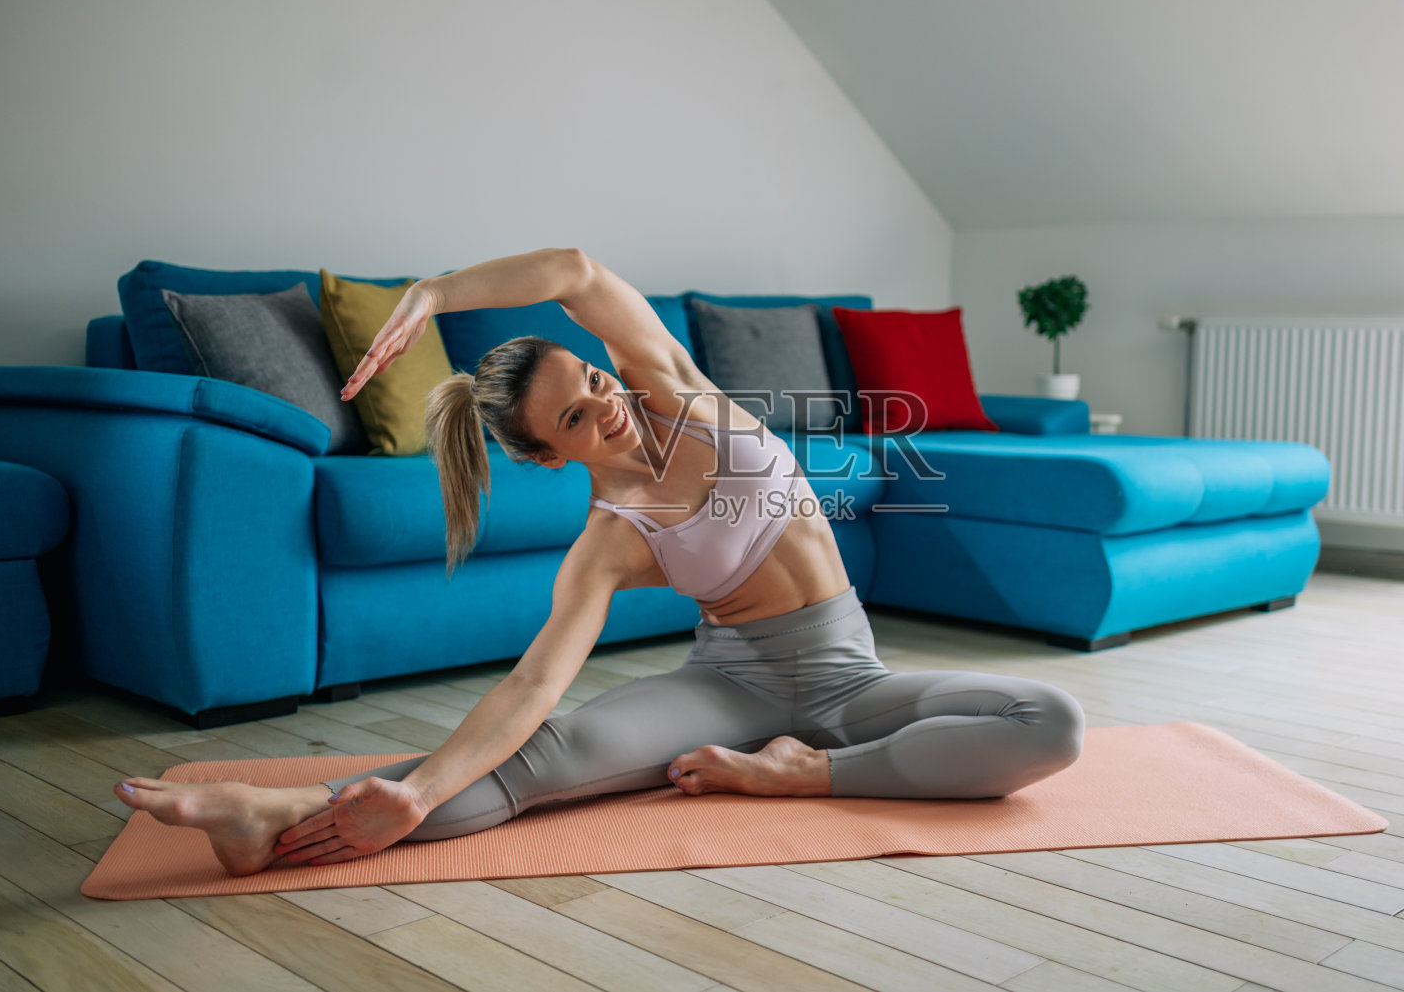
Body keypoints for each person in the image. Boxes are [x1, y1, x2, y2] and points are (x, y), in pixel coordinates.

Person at [113, 248, 1085, 875]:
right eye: (575, 415)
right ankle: (276, 815)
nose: (604, 402)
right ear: (548, 454)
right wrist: (409, 792)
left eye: (590, 378)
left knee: (1048, 720)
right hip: (730, 685)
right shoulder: (610, 541)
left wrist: (436, 293)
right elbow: (535, 683)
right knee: (536, 763)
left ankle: (797, 777)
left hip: (847, 675)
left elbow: (576, 273)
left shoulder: (676, 389)